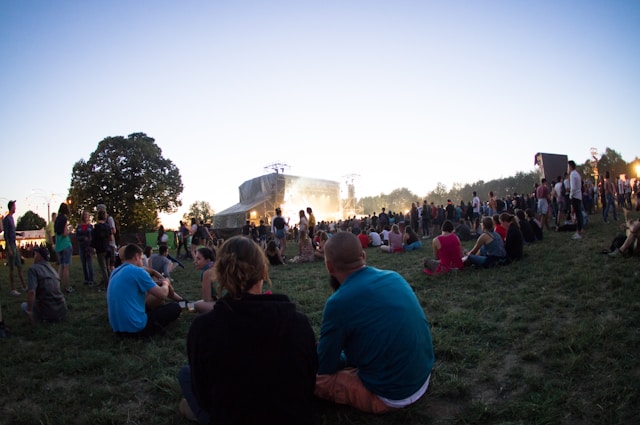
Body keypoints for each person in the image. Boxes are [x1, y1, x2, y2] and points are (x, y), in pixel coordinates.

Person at [178, 236, 317, 424]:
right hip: (291, 415)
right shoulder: (297, 322)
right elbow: (309, 382)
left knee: (186, 375)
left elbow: (204, 396)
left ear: (219, 275)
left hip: (232, 415)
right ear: (263, 272)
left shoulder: (203, 329)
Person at [315, 231, 434, 413]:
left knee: (316, 378)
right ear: (363, 255)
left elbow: (325, 366)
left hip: (392, 395)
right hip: (422, 376)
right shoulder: (394, 276)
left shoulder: (338, 303)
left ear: (329, 267)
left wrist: (330, 356)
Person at [107, 244, 182, 337]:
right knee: (175, 308)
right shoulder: (137, 271)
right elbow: (162, 294)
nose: (143, 261)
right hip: (135, 328)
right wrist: (166, 283)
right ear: (136, 257)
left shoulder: (115, 272)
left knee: (152, 306)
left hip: (117, 328)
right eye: (142, 259)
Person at [21, 246, 67, 324]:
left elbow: (31, 292)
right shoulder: (52, 270)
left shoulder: (33, 269)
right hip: (61, 310)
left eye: (35, 255)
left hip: (47, 311)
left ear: (39, 256)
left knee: (23, 306)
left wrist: (29, 311)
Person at [3, 200, 27, 295]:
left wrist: (19, 234)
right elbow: (6, 234)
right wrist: (8, 248)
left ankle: (24, 286)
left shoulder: (12, 218)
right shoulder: (7, 219)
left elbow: (12, 231)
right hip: (10, 245)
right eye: (14, 206)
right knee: (12, 268)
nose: (16, 207)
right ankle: (13, 289)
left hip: (14, 244)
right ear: (11, 207)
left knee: (19, 266)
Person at [54, 202, 74, 293]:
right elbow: (65, 233)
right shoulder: (64, 219)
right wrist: (70, 229)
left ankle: (57, 286)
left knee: (61, 267)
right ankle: (67, 287)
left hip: (59, 245)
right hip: (66, 244)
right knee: (66, 267)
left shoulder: (57, 219)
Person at [92, 209, 112, 290]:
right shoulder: (107, 227)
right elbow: (111, 238)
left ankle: (107, 285)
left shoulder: (96, 228)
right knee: (108, 267)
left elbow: (93, 240)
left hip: (100, 250)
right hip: (107, 248)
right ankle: (111, 282)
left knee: (103, 268)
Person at [194, 247, 217, 313]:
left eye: (198, 259)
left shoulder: (206, 273)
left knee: (197, 305)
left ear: (207, 261)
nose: (195, 261)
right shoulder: (217, 266)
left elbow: (207, 299)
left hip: (228, 306)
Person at [75, 210, 95, 286]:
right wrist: (83, 238)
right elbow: (76, 236)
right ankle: (86, 279)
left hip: (89, 247)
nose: (86, 216)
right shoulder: (79, 227)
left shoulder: (90, 227)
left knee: (89, 263)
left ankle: (91, 279)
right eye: (85, 215)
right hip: (81, 246)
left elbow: (93, 236)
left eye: (87, 215)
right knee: (83, 264)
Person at [568, 160, 584, 240]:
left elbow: (573, 187)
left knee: (577, 215)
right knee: (579, 214)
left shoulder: (572, 175)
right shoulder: (577, 174)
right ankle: (581, 230)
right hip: (579, 196)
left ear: (570, 166)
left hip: (575, 196)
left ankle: (579, 232)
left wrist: (570, 195)